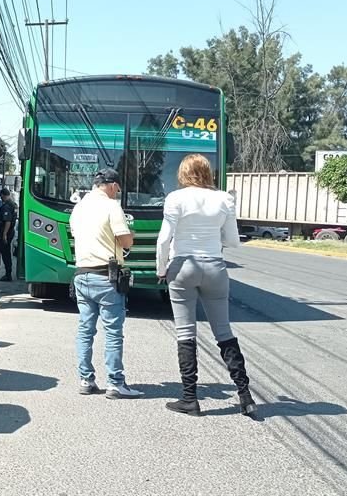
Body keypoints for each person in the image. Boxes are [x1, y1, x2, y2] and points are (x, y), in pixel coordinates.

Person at [156, 154, 256, 417]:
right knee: (224, 331)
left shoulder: (176, 198)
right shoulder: (224, 198)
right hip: (214, 267)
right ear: (207, 173)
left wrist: (161, 269)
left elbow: (164, 240)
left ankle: (190, 398)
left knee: (185, 333)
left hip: (183, 265)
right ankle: (245, 395)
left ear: (183, 173)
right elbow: (233, 241)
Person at [68, 169, 143, 400]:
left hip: (81, 275)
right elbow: (124, 239)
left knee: (85, 329)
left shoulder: (78, 208)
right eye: (118, 188)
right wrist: (131, 234)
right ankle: (115, 383)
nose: (118, 192)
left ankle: (86, 379)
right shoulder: (112, 207)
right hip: (106, 277)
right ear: (110, 185)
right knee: (112, 332)